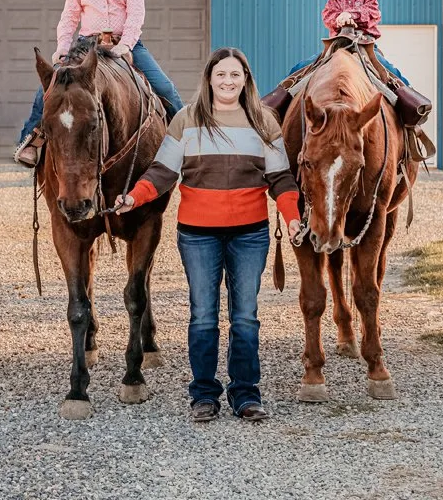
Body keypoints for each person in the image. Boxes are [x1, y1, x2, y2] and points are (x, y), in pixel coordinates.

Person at [114, 48, 302, 423]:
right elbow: (162, 172)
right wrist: (133, 197)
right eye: (221, 75)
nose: (228, 82)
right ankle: (204, 395)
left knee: (245, 317)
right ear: (209, 79)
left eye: (235, 75)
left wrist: (293, 217)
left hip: (250, 235)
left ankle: (246, 394)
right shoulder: (186, 120)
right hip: (198, 235)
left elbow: (280, 178)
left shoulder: (264, 122)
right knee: (202, 317)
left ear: (246, 79)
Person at [13, 0, 185, 167]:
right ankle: (31, 140)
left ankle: (187, 142)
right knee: (49, 87)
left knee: (165, 88)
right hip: (86, 44)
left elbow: (136, 13)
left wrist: (125, 45)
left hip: (125, 42)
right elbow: (70, 16)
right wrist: (62, 47)